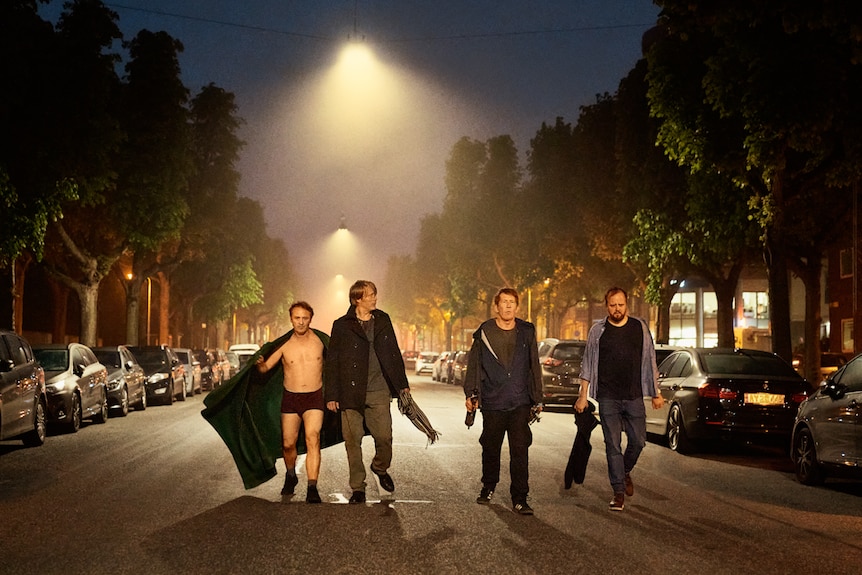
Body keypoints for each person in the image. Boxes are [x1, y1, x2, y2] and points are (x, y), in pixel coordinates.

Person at [575, 287, 663, 512]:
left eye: (621, 305)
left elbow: (650, 359)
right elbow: (587, 363)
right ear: (607, 306)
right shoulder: (598, 331)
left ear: (627, 305)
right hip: (608, 397)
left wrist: (656, 392)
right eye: (613, 305)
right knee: (612, 444)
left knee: (639, 441)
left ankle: (623, 472)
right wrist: (582, 396)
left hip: (634, 395)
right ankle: (618, 492)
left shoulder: (639, 327)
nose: (617, 309)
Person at [325, 280, 410, 504]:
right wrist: (332, 395)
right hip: (350, 392)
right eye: (370, 295)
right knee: (353, 442)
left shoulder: (383, 319)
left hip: (378, 388)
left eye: (374, 294)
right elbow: (332, 361)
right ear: (357, 299)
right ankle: (358, 488)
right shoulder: (342, 325)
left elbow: (393, 352)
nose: (374, 298)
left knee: (385, 437)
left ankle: (379, 468)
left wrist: (402, 384)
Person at [463, 287, 543, 515]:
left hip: (520, 401)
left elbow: (533, 365)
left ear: (517, 307)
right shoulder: (484, 332)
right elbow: (474, 365)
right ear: (496, 306)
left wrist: (537, 398)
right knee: (490, 446)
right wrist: (471, 393)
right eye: (504, 302)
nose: (508, 306)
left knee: (520, 450)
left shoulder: (526, 331)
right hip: (493, 400)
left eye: (512, 302)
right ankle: (488, 485)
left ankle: (520, 497)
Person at [255, 301, 327, 503]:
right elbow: (266, 368)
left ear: (310, 319)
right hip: (291, 397)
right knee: (288, 444)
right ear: (291, 319)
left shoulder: (320, 341)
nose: (301, 322)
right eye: (297, 318)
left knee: (313, 438)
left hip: (314, 396)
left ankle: (312, 487)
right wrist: (259, 365)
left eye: (305, 318)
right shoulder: (284, 344)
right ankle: (290, 474)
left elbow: (338, 362)